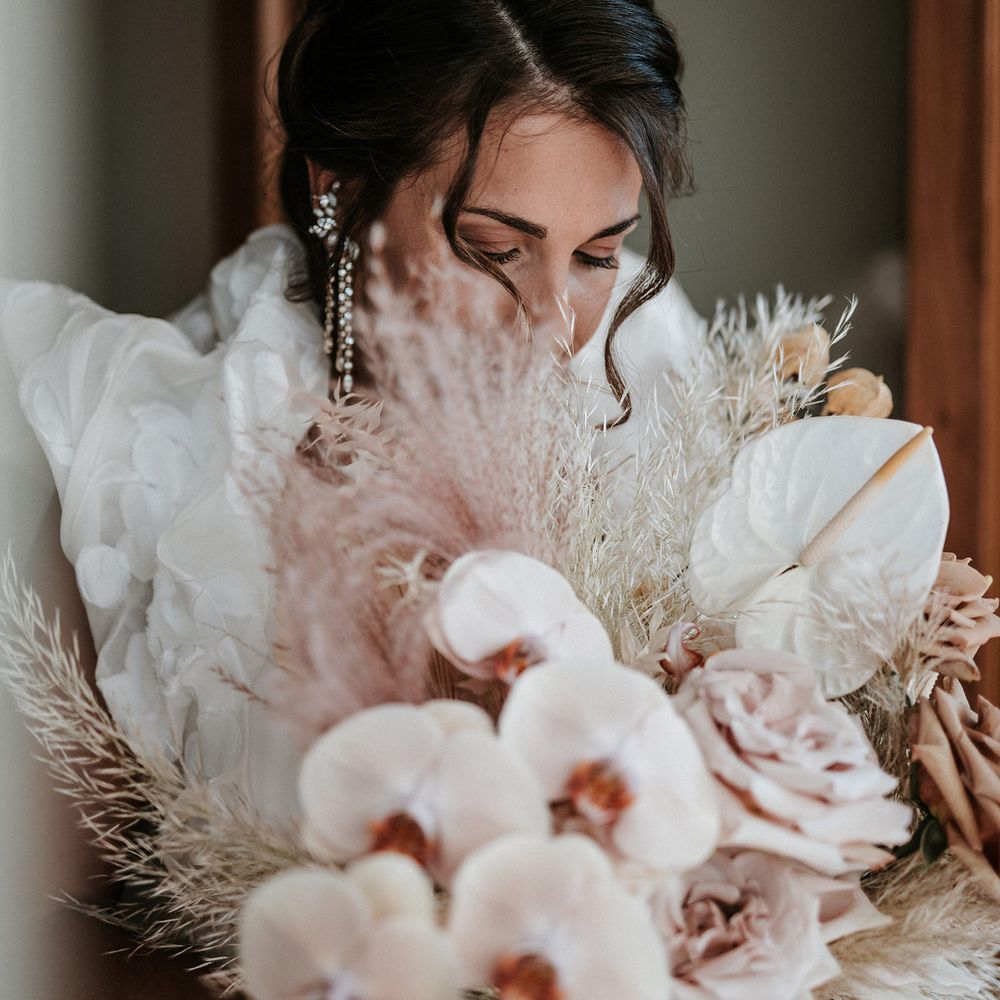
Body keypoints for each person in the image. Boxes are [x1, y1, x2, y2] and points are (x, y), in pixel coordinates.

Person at [0, 0, 705, 824]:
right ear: (339, 188)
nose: (555, 329)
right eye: (494, 250)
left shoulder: (656, 383)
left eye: (596, 256)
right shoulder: (143, 458)